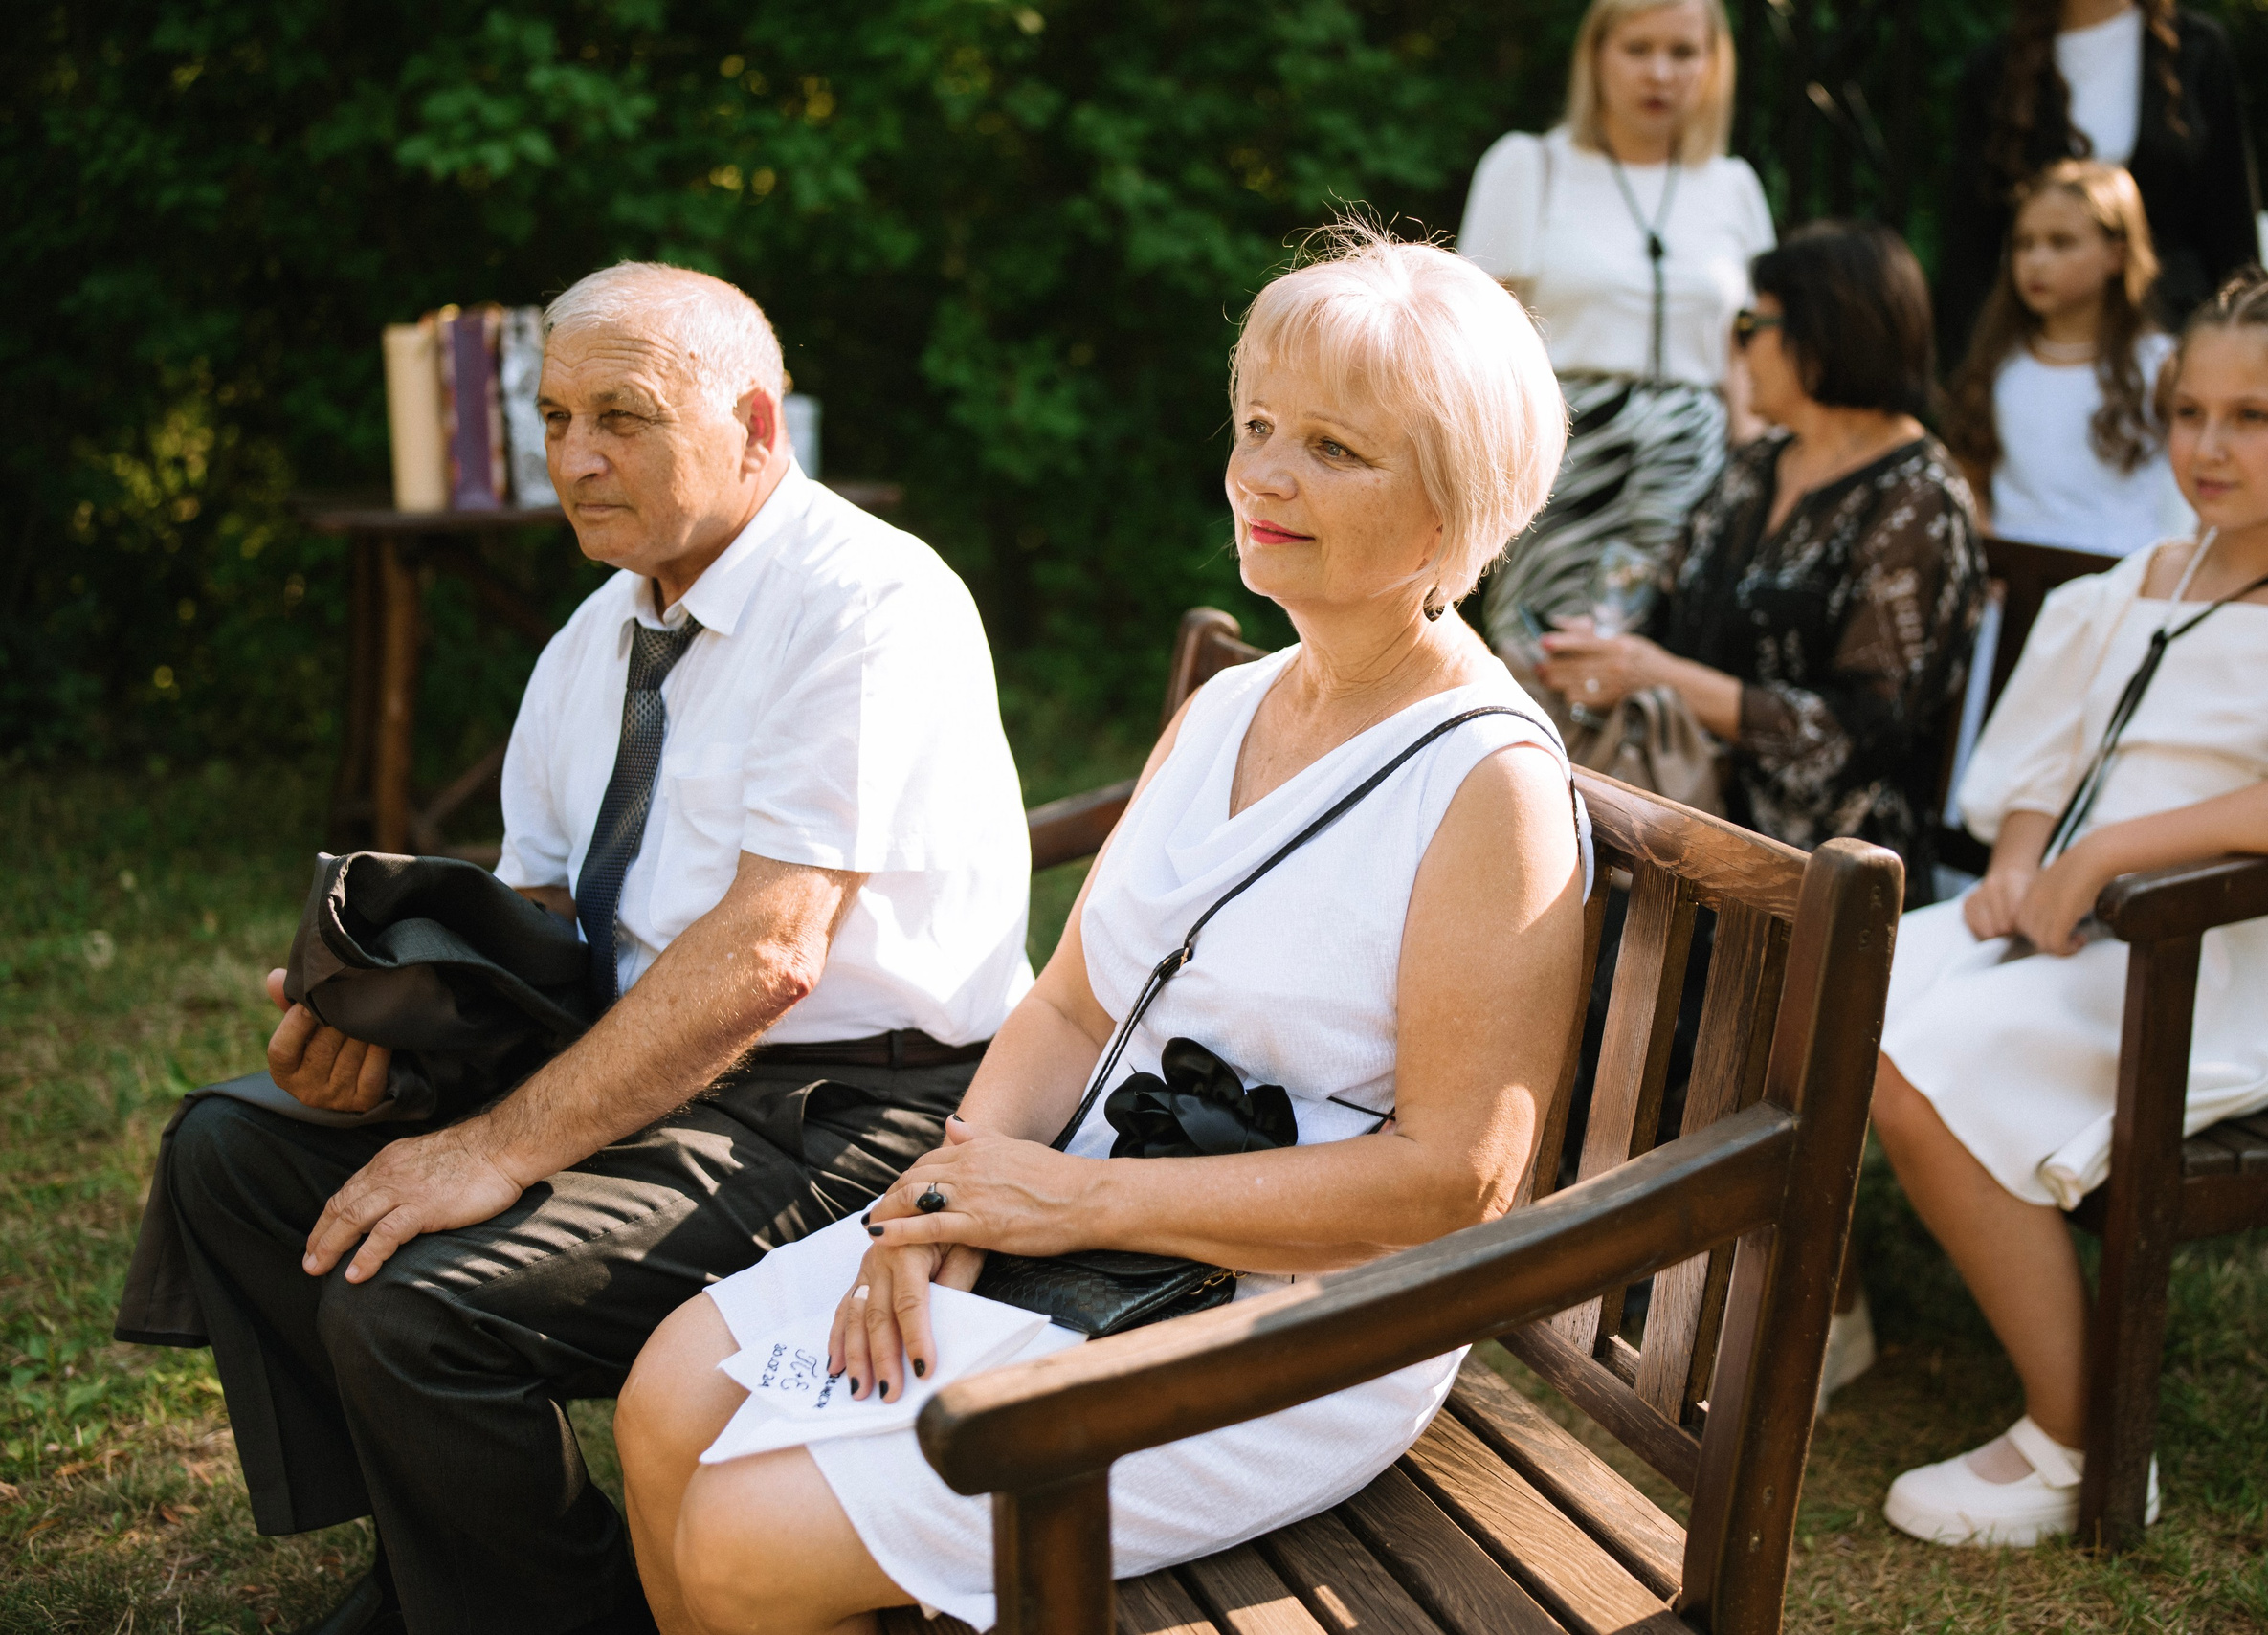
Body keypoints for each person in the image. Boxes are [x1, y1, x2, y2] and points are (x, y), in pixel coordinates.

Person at [611, 227, 1590, 1635]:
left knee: (741, 1537)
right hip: (1073, 1213)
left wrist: (1066, 1202)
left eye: (1332, 447)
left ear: (1453, 506)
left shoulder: (1488, 782)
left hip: (1299, 1318)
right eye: (1258, 427)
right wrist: (948, 1199)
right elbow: (1072, 1004)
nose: (1261, 473)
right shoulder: (1233, 707)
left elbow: (1454, 1186)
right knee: (663, 1401)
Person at [128, 264, 1035, 1635]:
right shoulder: (597, 632)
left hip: (853, 1108)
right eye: (555, 418)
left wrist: (494, 1147)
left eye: (623, 415)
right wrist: (394, 1018)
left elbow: (772, 952)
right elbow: (546, 921)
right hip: (662, 1066)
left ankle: (547, 1610)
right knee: (232, 1155)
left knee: (419, 1305)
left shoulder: (866, 605)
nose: (577, 457)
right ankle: (451, 1558)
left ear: (755, 422)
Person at [1875, 269, 2268, 1546]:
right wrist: (2028, 858)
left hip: (2225, 955)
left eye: (2250, 417)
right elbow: (2039, 767)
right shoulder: (2137, 582)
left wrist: (2123, 852)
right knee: (1832, 989)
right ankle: (1833, 1306)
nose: (2206, 445)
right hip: (2079, 927)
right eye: (2188, 411)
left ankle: (2080, 1442)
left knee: (1922, 1059)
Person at [1535, 222, 1987, 906]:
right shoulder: (1756, 467)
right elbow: (1663, 608)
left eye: (1753, 323)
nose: (1737, 349)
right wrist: (1596, 648)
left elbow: (1860, 735)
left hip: (1811, 863)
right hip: (1680, 804)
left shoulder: (1920, 504)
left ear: (1825, 331)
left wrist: (1663, 677)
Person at [1457, 0, 1774, 655]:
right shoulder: (1528, 166)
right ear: (1596, 55)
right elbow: (1472, 341)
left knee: (1660, 686)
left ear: (1715, 64)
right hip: (1563, 461)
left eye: (1683, 53)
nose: (1660, 73)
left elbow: (1751, 351)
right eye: (1638, 49)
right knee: (1542, 662)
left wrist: (1764, 478)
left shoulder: (1734, 185)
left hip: (1695, 477)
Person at [1937, 0, 2257, 364]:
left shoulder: (2198, 51)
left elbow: (2232, 227)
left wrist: (2244, 348)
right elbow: (1969, 244)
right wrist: (1967, 369)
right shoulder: (1996, 69)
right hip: (2035, 349)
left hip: (2179, 346)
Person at [1946, 159, 2191, 556]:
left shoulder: (2160, 366)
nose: (2036, 261)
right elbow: (1969, 472)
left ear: (2116, 254)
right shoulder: (1999, 361)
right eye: (2024, 243)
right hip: (2016, 586)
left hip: (2124, 584)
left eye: (2061, 242)